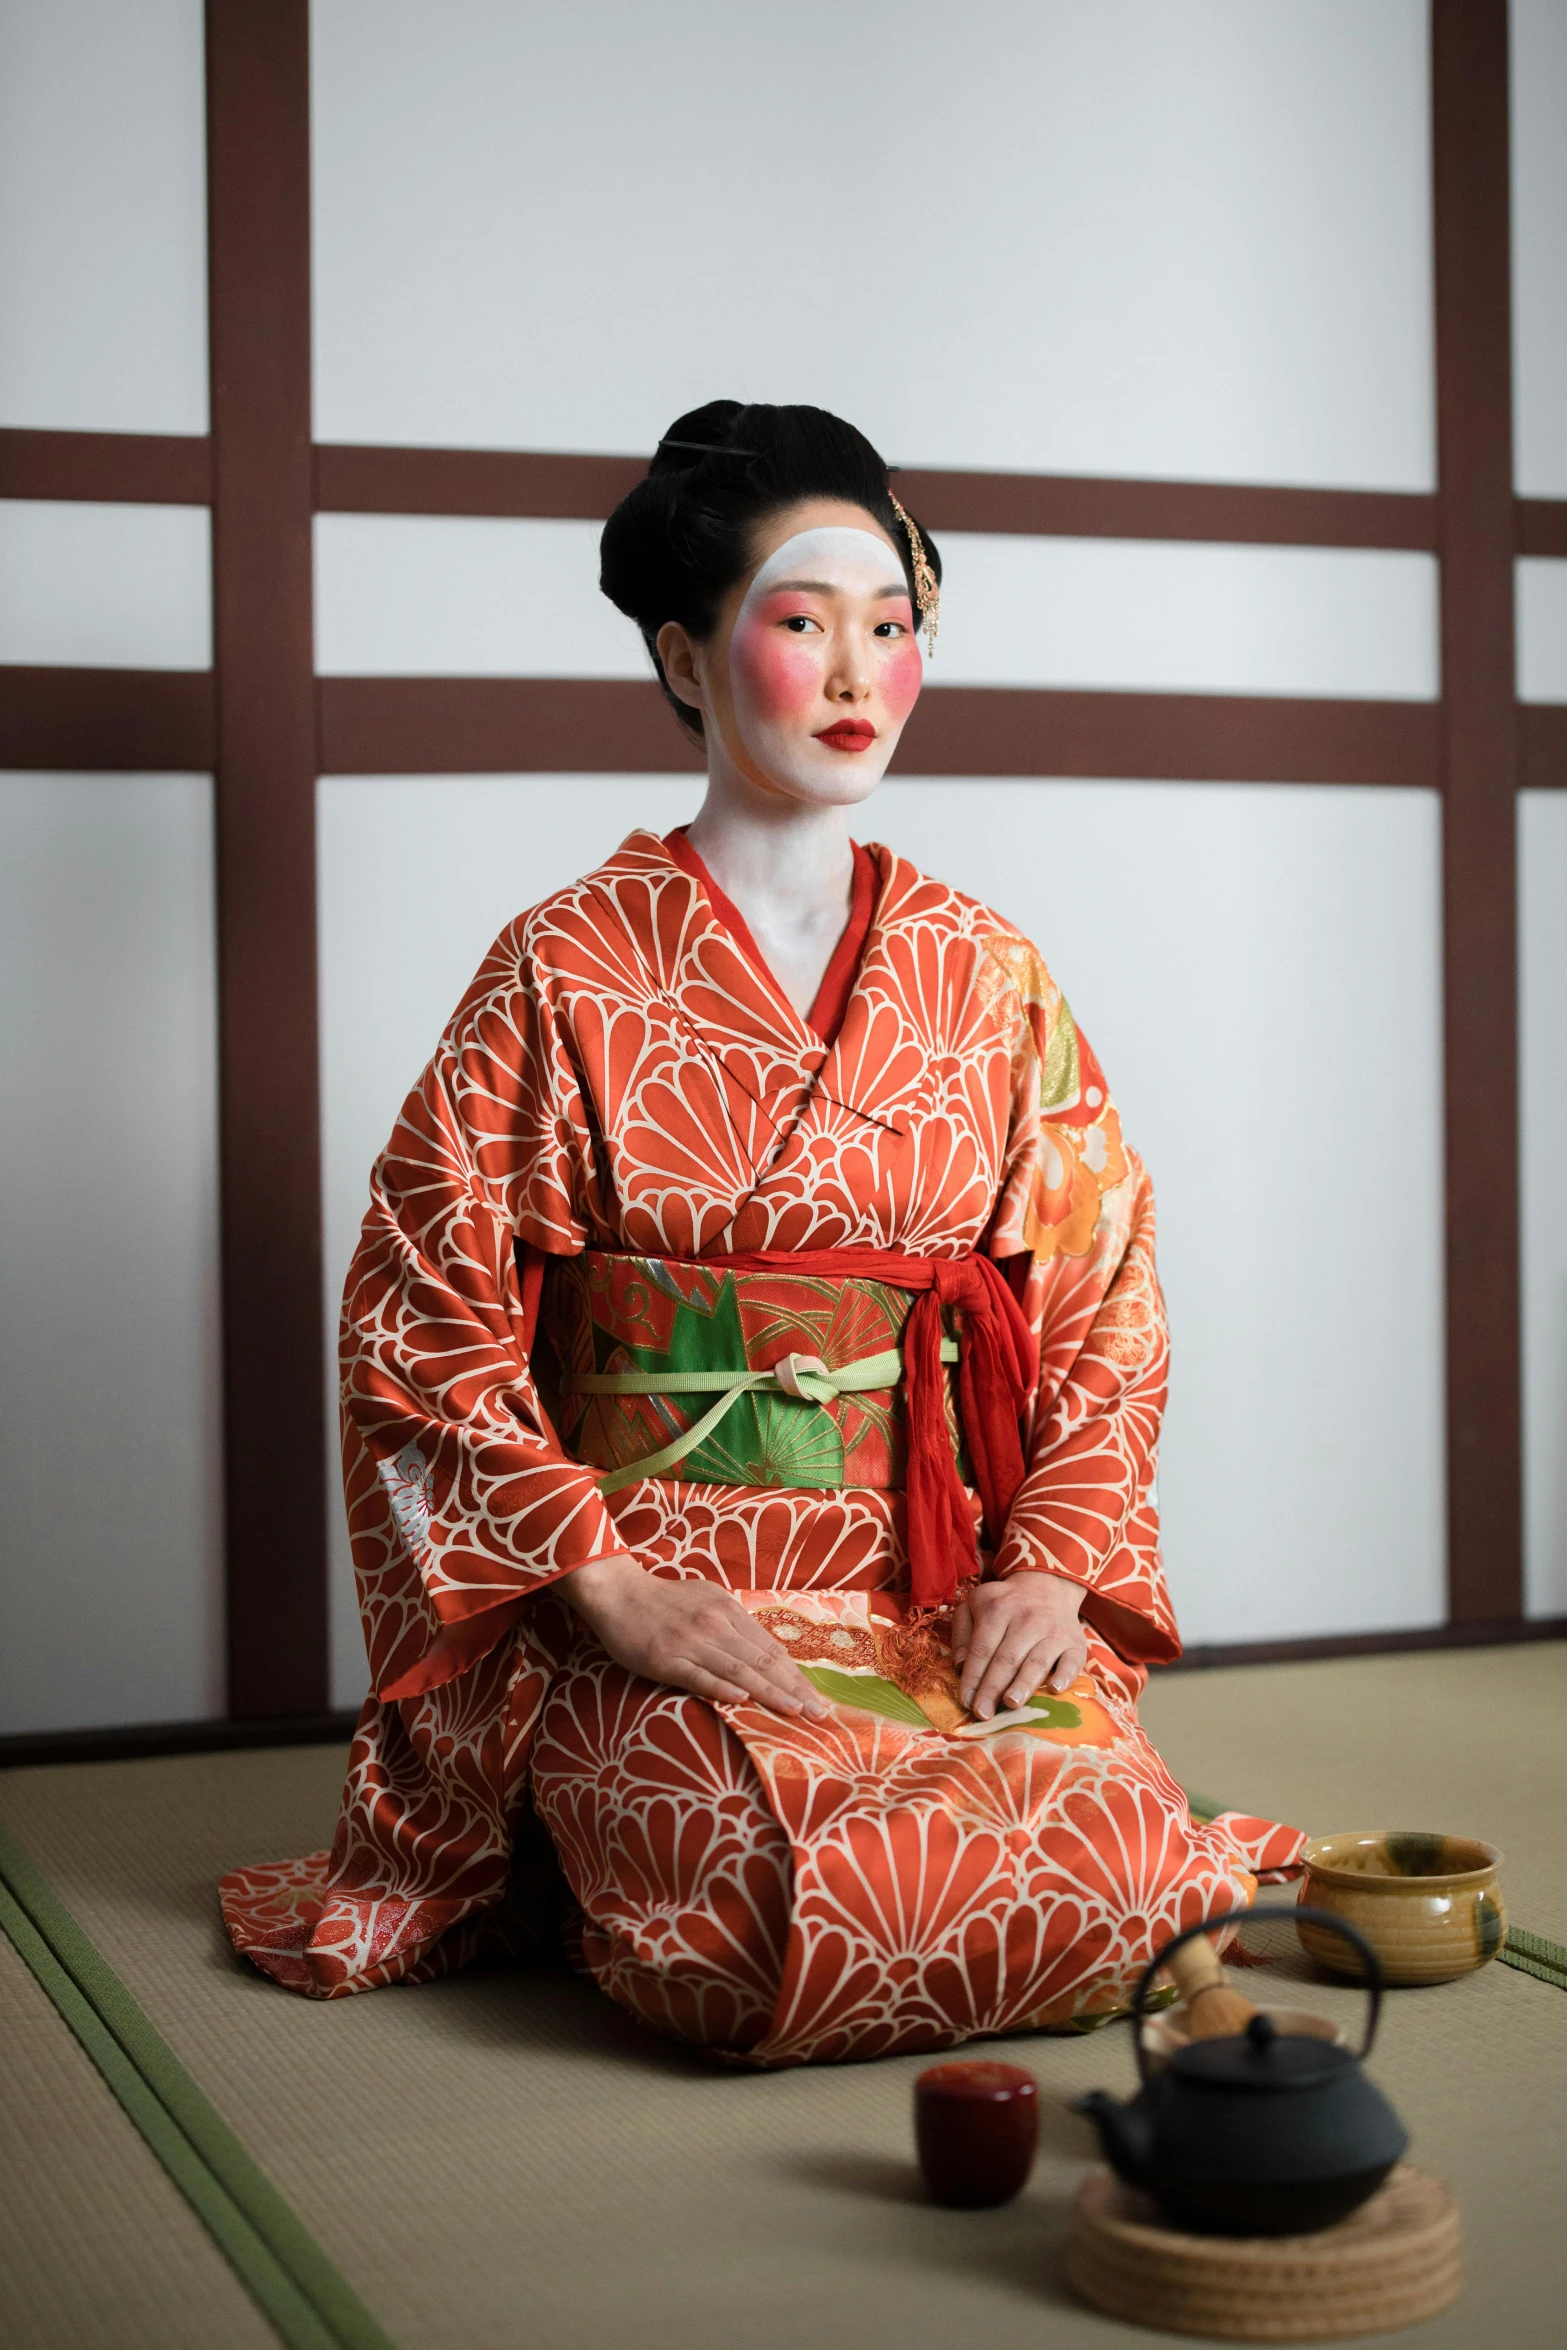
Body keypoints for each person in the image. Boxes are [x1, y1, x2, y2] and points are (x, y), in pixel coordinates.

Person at [221, 401, 1301, 2065]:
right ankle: (577, 1817)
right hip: (653, 1591)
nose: (861, 671)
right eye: (805, 625)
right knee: (743, 1922)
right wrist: (600, 1583)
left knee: (1130, 1869)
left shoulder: (984, 967)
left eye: (892, 627)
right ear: (685, 654)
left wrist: (1052, 1563)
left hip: (923, 1580)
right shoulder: (564, 963)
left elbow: (1100, 1294)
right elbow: (417, 1309)